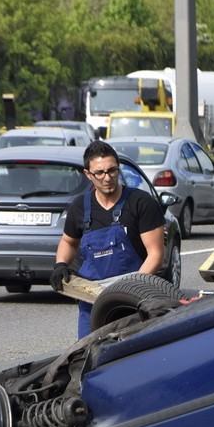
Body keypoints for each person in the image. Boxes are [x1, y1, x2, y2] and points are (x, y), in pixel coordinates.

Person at [50, 140, 166, 338]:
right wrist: (60, 264)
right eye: (100, 173)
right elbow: (68, 241)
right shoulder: (79, 207)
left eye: (112, 171)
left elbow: (155, 254)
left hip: (133, 301)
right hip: (92, 303)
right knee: (88, 356)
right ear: (88, 174)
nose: (107, 178)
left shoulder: (141, 203)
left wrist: (128, 291)